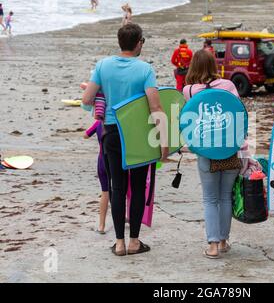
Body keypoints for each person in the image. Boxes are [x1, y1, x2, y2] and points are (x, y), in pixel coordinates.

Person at [82, 24, 169, 256]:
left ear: (120, 42)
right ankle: (134, 241)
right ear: (138, 42)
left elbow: (87, 98)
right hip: (138, 135)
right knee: (138, 187)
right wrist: (164, 140)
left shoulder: (102, 66)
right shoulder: (145, 70)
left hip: (111, 133)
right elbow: (156, 106)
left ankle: (119, 243)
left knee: (117, 187)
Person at [183, 50, 241, 259]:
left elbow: (188, 119)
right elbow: (238, 113)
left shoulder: (189, 90)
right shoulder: (229, 86)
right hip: (230, 148)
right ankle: (224, 241)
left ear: (194, 67)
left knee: (210, 199)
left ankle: (213, 245)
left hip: (206, 150)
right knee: (225, 197)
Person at [83, 121, 109, 234]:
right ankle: (126, 217)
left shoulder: (99, 122)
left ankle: (101, 226)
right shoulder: (118, 122)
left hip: (101, 161)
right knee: (121, 191)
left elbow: (85, 135)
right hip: (113, 161)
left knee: (105, 192)